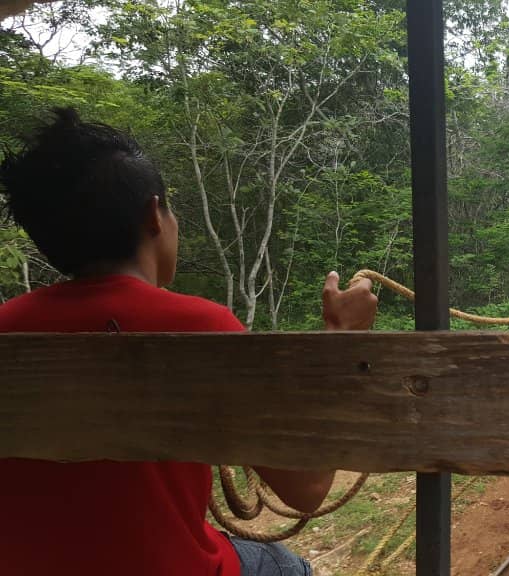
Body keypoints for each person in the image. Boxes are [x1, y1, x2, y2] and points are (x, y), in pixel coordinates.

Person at [0, 108, 378, 576]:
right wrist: (341, 339)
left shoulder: (7, 325)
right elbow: (307, 488)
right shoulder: (200, 324)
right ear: (153, 217)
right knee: (286, 567)